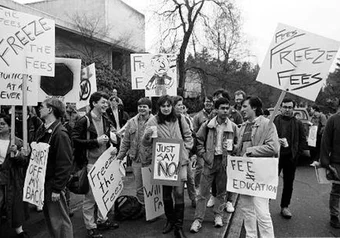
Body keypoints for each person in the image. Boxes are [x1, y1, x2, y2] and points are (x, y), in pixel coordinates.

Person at [142, 95, 193, 238]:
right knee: (166, 194)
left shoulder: (180, 118)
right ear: (159, 107)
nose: (166, 108)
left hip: (180, 161)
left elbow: (188, 136)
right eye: (163, 106)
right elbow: (145, 143)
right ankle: (170, 221)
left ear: (172, 106)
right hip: (163, 162)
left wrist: (186, 150)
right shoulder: (153, 121)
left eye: (168, 106)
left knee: (179, 193)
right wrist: (147, 135)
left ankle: (179, 226)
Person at [72, 92, 119, 238]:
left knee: (105, 194)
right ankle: (90, 227)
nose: (106, 105)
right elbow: (74, 141)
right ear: (94, 103)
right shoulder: (83, 120)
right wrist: (95, 142)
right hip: (91, 164)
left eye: (107, 102)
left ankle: (102, 220)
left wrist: (112, 147)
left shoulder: (105, 118)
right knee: (91, 197)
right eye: (103, 102)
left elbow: (106, 138)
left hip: (105, 163)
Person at [190, 97, 238, 233]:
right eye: (222, 108)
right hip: (209, 162)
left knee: (222, 192)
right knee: (203, 192)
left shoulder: (233, 127)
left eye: (227, 108)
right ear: (216, 110)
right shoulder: (207, 125)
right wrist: (203, 155)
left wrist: (232, 149)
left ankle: (218, 215)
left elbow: (237, 145)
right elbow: (198, 140)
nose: (225, 111)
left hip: (224, 163)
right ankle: (198, 219)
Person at [235, 96, 280, 238]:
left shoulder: (267, 124)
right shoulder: (242, 127)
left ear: (254, 107)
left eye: (244, 106)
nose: (241, 110)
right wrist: (234, 149)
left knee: (262, 213)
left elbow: (273, 147)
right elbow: (241, 149)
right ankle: (250, 236)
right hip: (245, 175)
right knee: (247, 211)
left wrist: (251, 151)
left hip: (261, 176)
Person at [34, 98, 74, 238]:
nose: (39, 108)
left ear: (50, 109)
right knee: (51, 220)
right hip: (44, 182)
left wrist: (57, 188)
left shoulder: (60, 133)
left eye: (42, 106)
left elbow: (65, 163)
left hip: (52, 184)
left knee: (59, 222)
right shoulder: (43, 129)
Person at [116, 97, 153, 218]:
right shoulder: (131, 122)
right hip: (136, 159)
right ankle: (143, 208)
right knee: (139, 187)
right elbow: (126, 141)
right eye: (140, 106)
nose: (142, 108)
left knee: (152, 187)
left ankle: (153, 209)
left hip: (150, 160)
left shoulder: (155, 121)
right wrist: (120, 157)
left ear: (150, 108)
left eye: (144, 106)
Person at [274, 98, 307, 219]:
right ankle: (264, 205)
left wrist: (297, 154)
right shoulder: (274, 120)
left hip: (290, 157)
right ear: (281, 107)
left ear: (293, 109)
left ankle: (285, 206)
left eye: (290, 107)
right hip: (275, 157)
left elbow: (303, 140)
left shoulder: (297, 123)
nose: (287, 110)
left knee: (288, 183)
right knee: (271, 182)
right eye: (285, 107)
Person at [0, 113, 30, 238]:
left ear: (10, 126)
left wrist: (16, 153)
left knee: (14, 205)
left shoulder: (18, 142)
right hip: (1, 177)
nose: (0, 126)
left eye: (2, 124)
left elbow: (25, 161)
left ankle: (19, 230)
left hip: (13, 179)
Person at [319, 100, 340, 228]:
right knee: (337, 190)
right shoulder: (333, 120)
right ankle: (334, 216)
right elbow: (325, 142)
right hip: (337, 162)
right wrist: (326, 163)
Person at [173, 96, 196, 208]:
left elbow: (189, 135)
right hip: (171, 155)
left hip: (184, 154)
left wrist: (186, 149)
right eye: (178, 105)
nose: (181, 107)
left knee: (190, 178)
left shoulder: (183, 119)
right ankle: (176, 202)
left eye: (182, 105)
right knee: (175, 181)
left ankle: (193, 198)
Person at [192, 96, 214, 193]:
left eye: (210, 102)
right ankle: (197, 186)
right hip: (201, 145)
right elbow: (194, 132)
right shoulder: (198, 116)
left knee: (211, 167)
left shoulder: (215, 115)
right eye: (207, 101)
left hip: (212, 146)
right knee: (200, 167)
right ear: (204, 103)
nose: (208, 103)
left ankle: (209, 186)